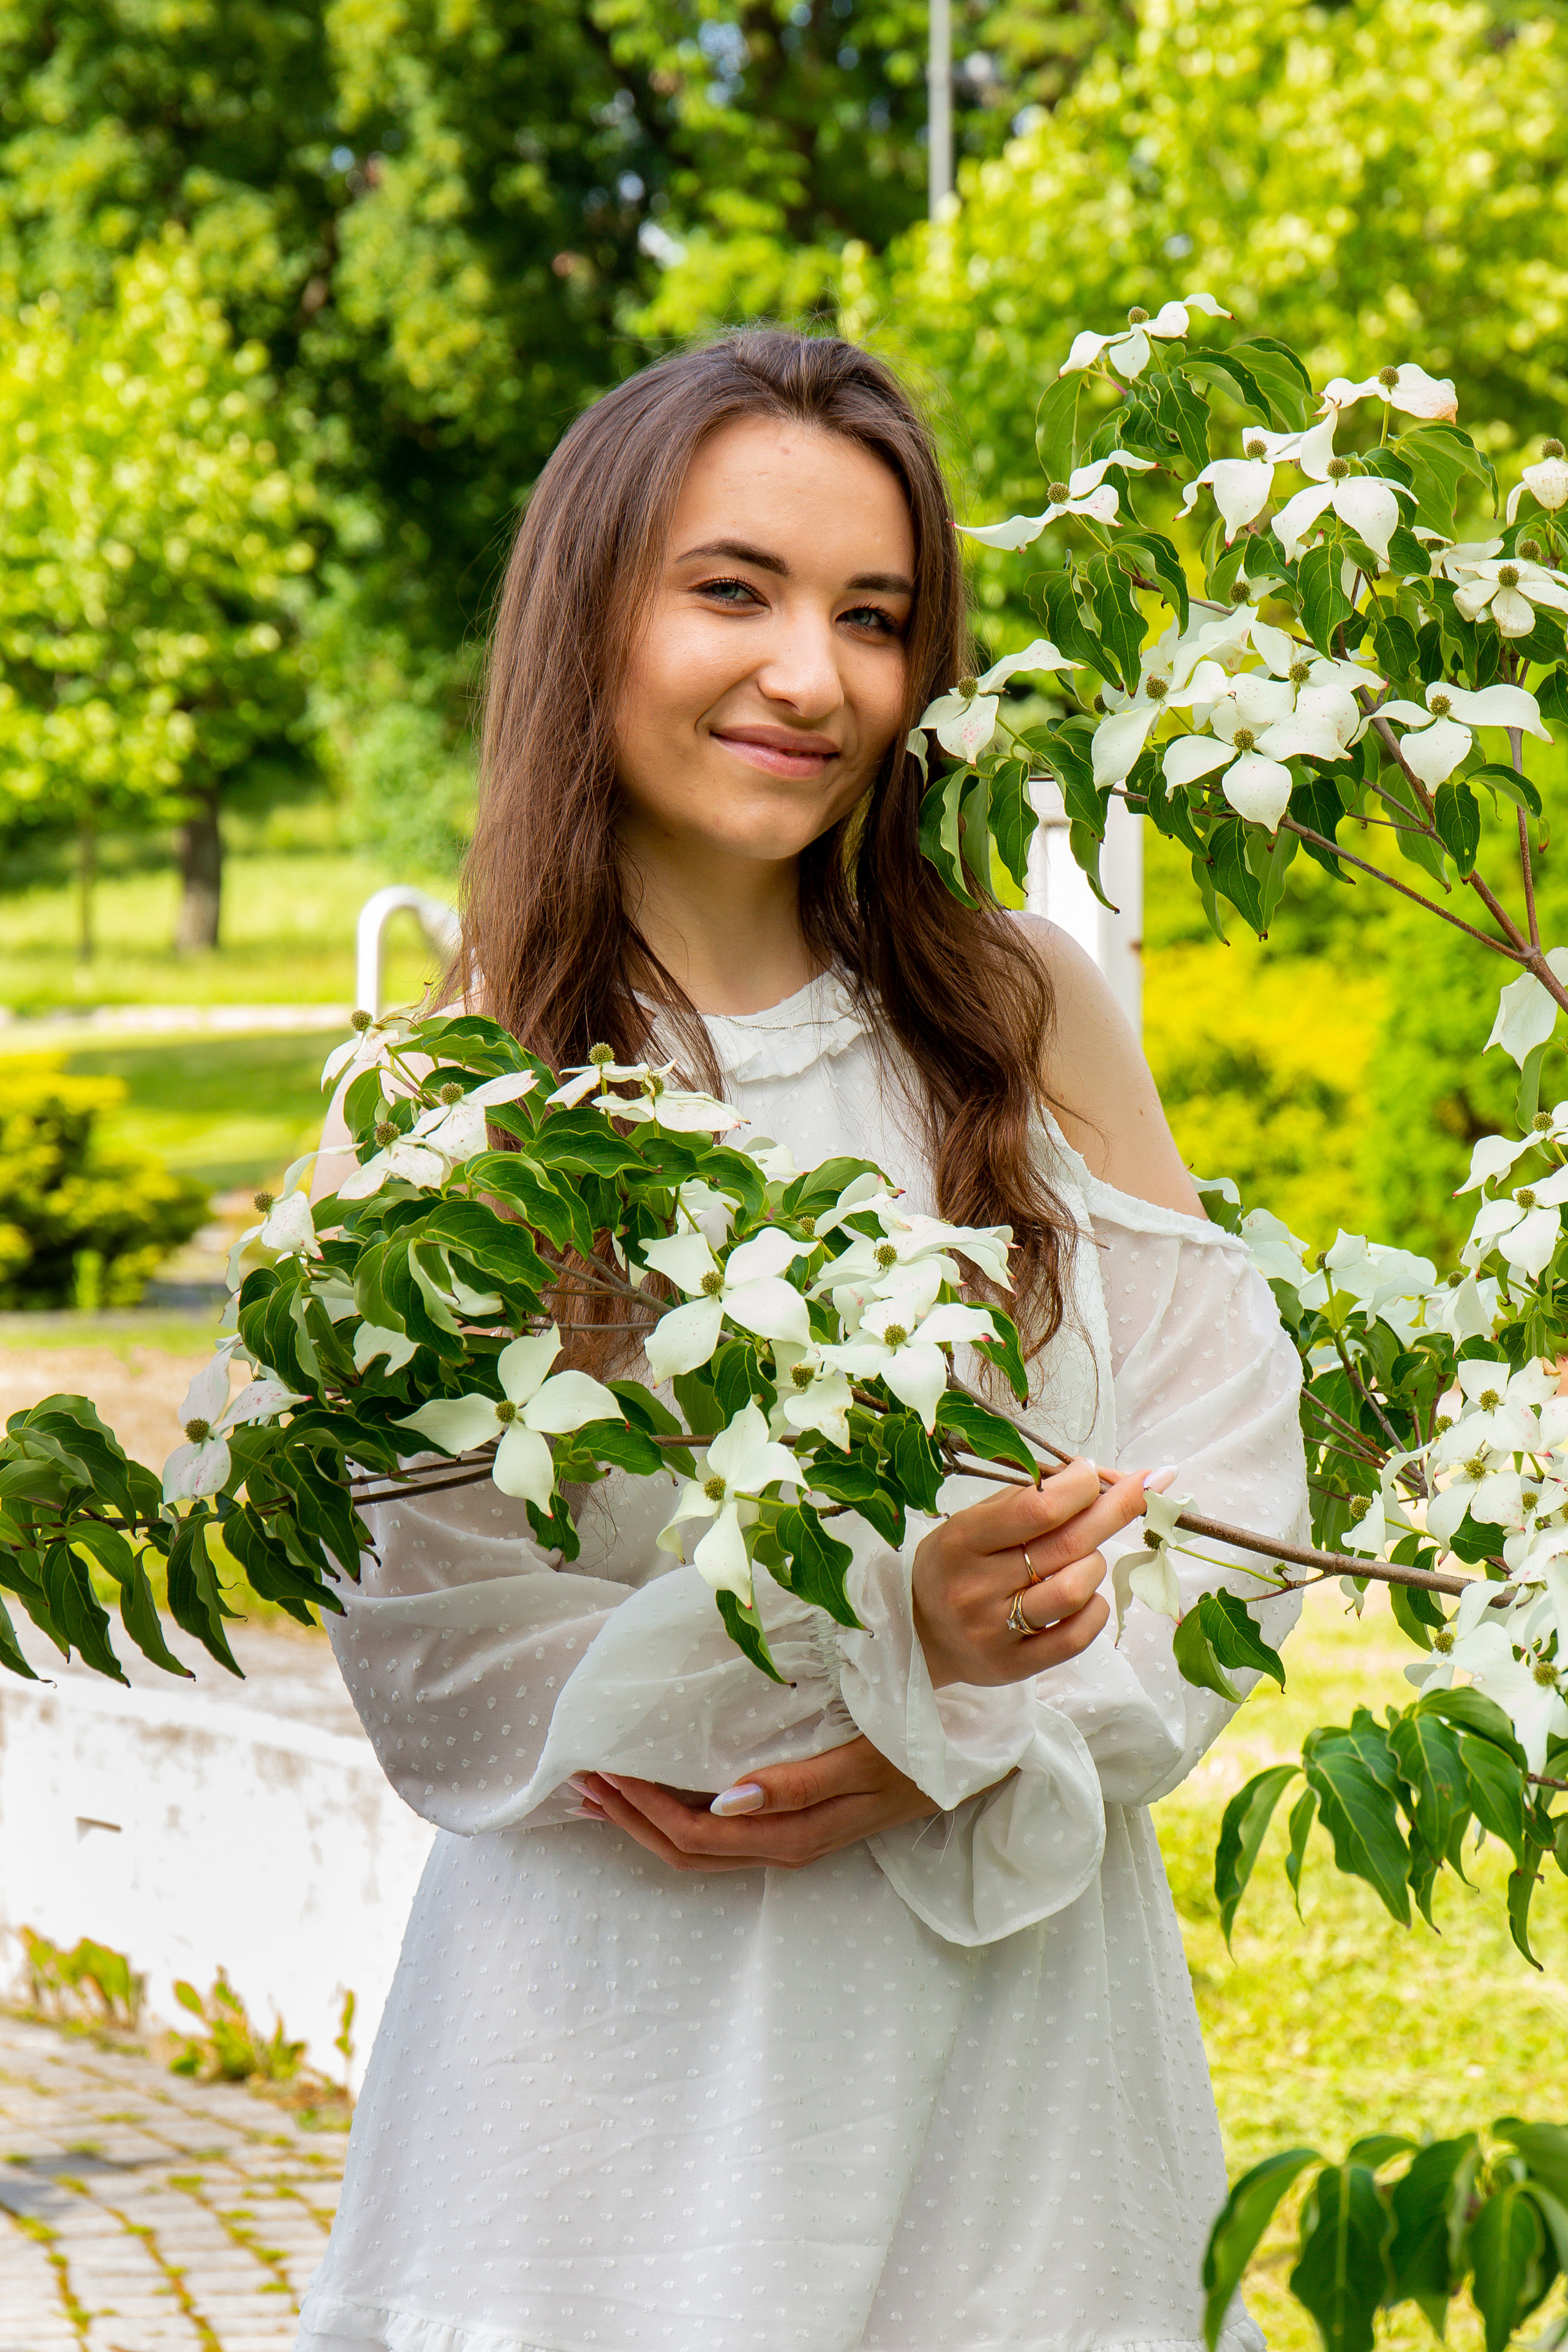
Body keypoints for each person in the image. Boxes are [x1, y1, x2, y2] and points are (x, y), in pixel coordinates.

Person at [296, 330, 1307, 2352]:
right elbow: (432, 1643)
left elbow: (1231, 1507)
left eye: (876, 616)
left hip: (1011, 2032)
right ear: (592, 611)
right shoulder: (444, 1108)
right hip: (618, 2075)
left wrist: (960, 1731)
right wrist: (874, 1653)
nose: (812, 677)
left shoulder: (1023, 1020)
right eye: (732, 590)